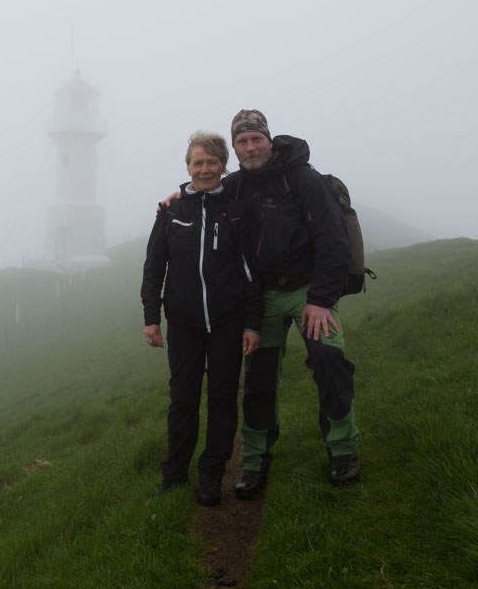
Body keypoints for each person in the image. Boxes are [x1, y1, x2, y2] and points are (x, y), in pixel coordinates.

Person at [225, 109, 361, 495]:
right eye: (242, 141)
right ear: (235, 147)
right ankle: (253, 462)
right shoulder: (235, 186)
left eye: (256, 139)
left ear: (269, 139)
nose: (250, 147)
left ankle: (343, 450)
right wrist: (174, 198)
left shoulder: (302, 178)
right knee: (259, 379)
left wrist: (320, 301)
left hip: (308, 292)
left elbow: (333, 241)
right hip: (261, 298)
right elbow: (199, 196)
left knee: (329, 360)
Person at [141, 131, 262, 506]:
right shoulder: (171, 211)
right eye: (198, 162)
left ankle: (212, 473)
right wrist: (151, 318)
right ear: (188, 167)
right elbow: (154, 267)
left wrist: (252, 323)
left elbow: (250, 271)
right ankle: (174, 474)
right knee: (183, 400)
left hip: (227, 321)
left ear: (223, 166)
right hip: (184, 323)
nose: (204, 169)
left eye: (212, 162)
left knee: (223, 398)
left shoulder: (237, 211)